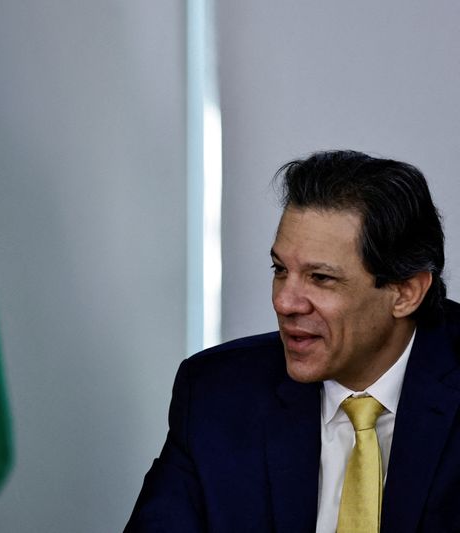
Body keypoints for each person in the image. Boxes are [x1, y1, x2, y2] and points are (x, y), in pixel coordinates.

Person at [126, 150, 460, 532]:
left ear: (406, 293)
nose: (284, 302)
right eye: (280, 270)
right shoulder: (217, 395)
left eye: (321, 278)